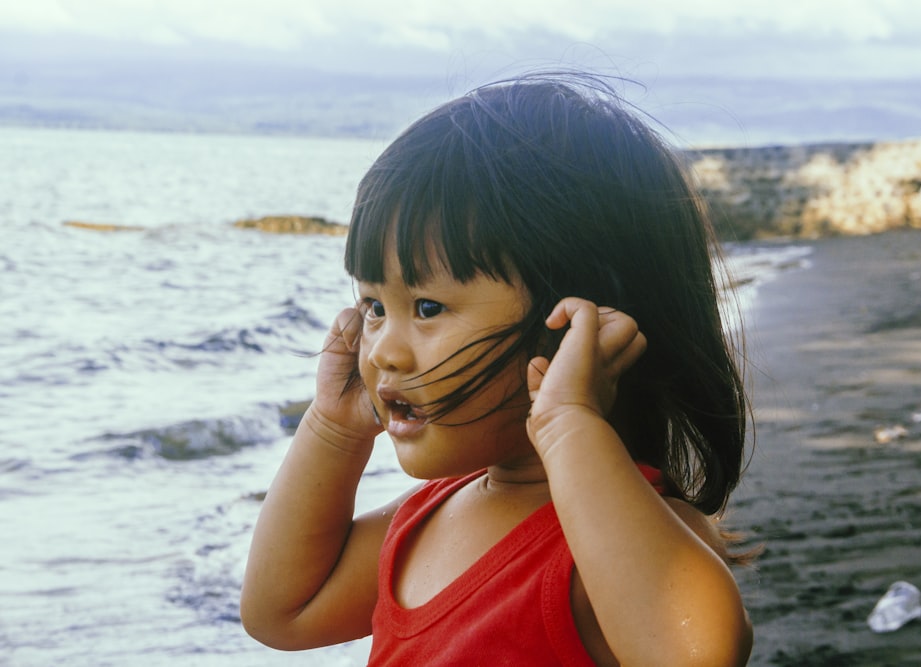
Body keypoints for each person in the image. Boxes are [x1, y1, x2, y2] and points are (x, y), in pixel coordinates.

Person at [241, 71, 754, 666]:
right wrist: (333, 429)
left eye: (428, 307)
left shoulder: (626, 535)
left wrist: (568, 423)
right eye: (374, 306)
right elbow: (281, 612)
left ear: (573, 322)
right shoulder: (425, 522)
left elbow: (695, 654)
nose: (383, 350)